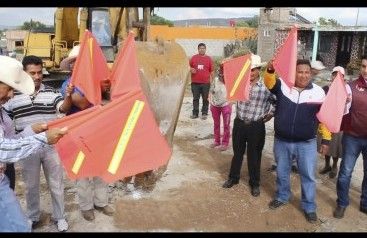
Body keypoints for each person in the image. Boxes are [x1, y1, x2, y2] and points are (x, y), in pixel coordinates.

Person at [3, 55, 73, 232]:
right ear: (25, 74)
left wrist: (69, 96)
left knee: (56, 183)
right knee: (31, 185)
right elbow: (7, 132)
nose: (37, 76)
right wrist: (30, 135)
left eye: (39, 72)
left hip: (50, 147)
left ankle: (60, 217)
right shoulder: (12, 96)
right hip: (26, 150)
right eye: (32, 73)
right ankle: (33, 216)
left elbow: (63, 109)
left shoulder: (51, 92)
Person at [264, 59, 331, 223]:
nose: (303, 75)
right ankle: (282, 196)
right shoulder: (283, 86)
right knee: (282, 172)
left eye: (307, 72)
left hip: (307, 143)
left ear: (311, 73)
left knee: (308, 176)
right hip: (282, 141)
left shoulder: (318, 92)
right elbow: (269, 83)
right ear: (294, 72)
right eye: (300, 71)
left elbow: (325, 118)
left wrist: (326, 140)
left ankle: (309, 207)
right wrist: (271, 70)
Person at [59, 45, 114, 222]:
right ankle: (86, 206)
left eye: (81, 62)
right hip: (77, 135)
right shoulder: (68, 85)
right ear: (71, 67)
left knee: (100, 169)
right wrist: (98, 87)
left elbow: (111, 98)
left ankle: (101, 202)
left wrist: (105, 87)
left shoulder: (95, 81)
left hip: (97, 132)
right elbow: (81, 103)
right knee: (82, 172)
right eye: (74, 63)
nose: (77, 65)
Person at [222, 54, 276, 197]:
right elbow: (224, 79)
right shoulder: (239, 83)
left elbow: (276, 101)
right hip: (239, 123)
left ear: (259, 70)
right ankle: (233, 178)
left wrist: (271, 114)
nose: (250, 74)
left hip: (256, 126)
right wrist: (225, 66)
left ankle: (254, 183)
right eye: (248, 70)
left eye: (253, 70)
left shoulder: (266, 87)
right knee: (237, 153)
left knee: (254, 156)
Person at [333, 55, 367, 219]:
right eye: (363, 66)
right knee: (346, 172)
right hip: (352, 137)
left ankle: (365, 203)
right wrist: (343, 100)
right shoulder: (351, 87)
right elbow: (339, 107)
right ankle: (342, 203)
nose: (365, 70)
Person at [318, 66, 347, 179]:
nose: (336, 77)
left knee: (335, 145)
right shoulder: (326, 88)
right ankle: (327, 165)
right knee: (326, 143)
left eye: (340, 75)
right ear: (331, 76)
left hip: (338, 123)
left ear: (343, 78)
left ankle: (334, 166)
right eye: (334, 74)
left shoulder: (346, 91)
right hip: (326, 122)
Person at [209, 61, 232, 151]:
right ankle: (217, 141)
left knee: (226, 124)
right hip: (215, 105)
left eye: (224, 73)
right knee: (216, 124)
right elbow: (211, 90)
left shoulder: (231, 80)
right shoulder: (215, 80)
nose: (222, 75)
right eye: (221, 73)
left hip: (226, 104)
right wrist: (210, 100)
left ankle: (225, 142)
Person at [189, 43, 214, 120]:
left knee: (205, 99)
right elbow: (188, 66)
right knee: (195, 98)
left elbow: (212, 71)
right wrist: (190, 69)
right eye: (200, 48)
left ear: (205, 49)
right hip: (195, 83)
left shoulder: (209, 59)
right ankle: (195, 113)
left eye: (203, 48)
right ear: (198, 49)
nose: (202, 49)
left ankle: (204, 113)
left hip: (205, 83)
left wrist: (212, 82)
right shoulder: (193, 58)